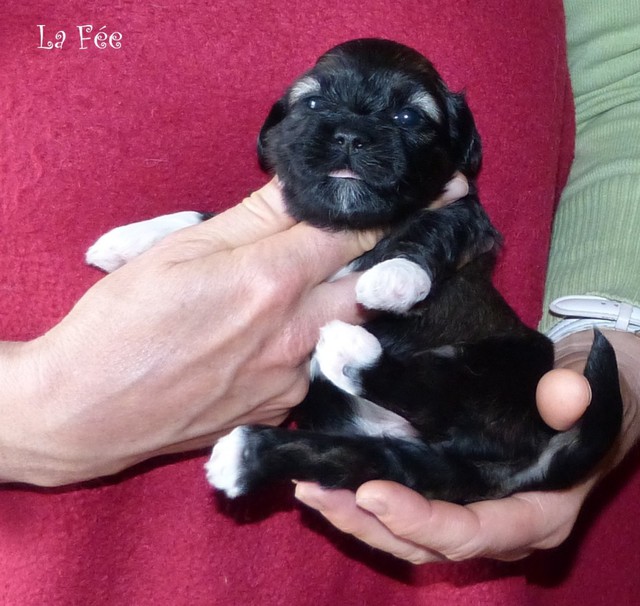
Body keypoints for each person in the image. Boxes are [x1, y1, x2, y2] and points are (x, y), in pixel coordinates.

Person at [0, 1, 637, 605]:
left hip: (476, 459)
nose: (352, 137)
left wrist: (618, 326)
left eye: (409, 120)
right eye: (313, 105)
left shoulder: (445, 221)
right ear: (273, 128)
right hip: (77, 547)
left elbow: (623, 88)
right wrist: (31, 414)